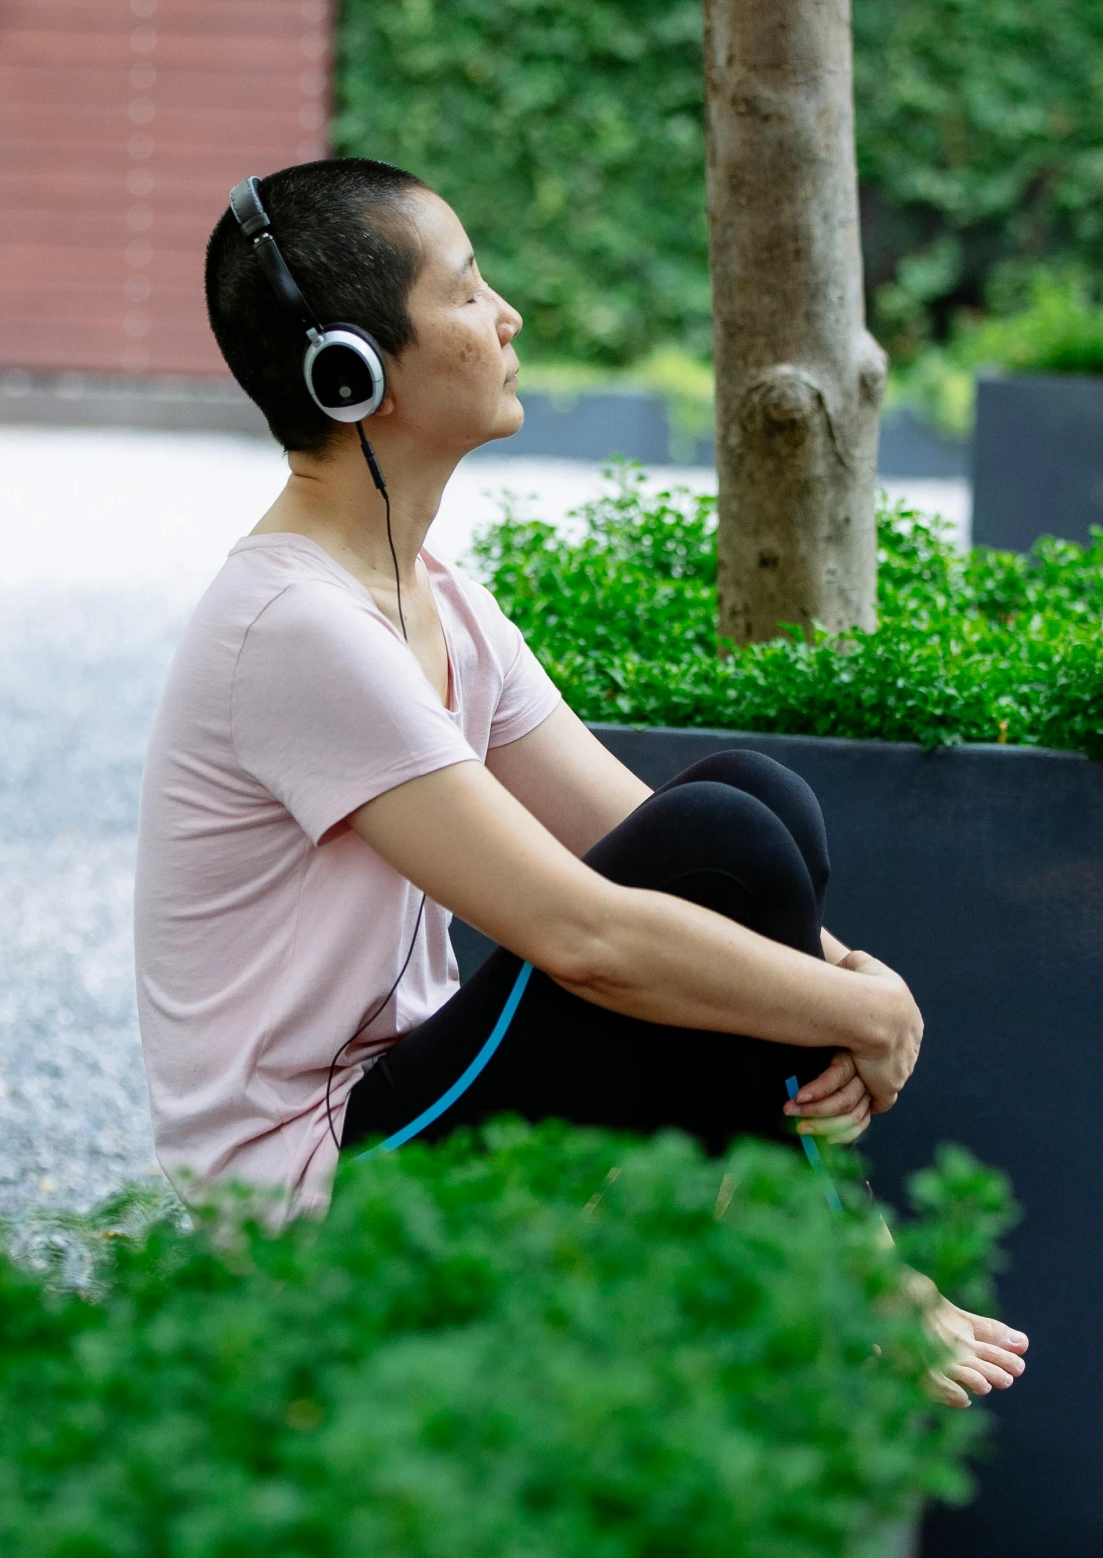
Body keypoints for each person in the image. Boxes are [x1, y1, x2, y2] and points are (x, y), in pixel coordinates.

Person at [133, 157, 1026, 1405]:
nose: (509, 318)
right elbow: (584, 936)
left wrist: (840, 975)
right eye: (469, 290)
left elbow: (638, 832)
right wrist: (856, 1018)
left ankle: (793, 1238)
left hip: (413, 1097)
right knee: (719, 834)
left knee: (750, 801)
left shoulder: (435, 598)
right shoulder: (293, 627)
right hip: (319, 1181)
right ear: (354, 369)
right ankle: (839, 1256)